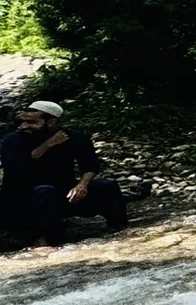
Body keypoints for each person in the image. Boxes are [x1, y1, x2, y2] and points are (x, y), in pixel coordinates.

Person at [0, 100, 126, 247]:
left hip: (63, 191)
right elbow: (18, 167)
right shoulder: (12, 140)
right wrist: (47, 145)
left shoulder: (75, 137)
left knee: (107, 186)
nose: (24, 126)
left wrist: (82, 185)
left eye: (32, 122)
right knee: (46, 192)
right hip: (21, 199)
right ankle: (53, 241)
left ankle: (120, 230)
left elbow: (90, 165)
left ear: (52, 122)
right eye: (23, 121)